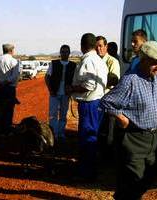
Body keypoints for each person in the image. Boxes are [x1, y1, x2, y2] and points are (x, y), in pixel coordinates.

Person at [99, 41, 157, 200]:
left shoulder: (154, 77)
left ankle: (123, 195)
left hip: (152, 138)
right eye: (154, 63)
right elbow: (106, 102)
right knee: (134, 180)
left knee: (150, 174)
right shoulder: (130, 80)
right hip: (133, 139)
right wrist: (122, 118)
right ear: (143, 60)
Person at [70, 33, 108, 181]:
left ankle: (86, 173)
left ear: (82, 46)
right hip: (97, 103)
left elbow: (88, 85)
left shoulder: (88, 60)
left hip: (89, 104)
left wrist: (72, 89)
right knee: (92, 137)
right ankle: (88, 169)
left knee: (87, 138)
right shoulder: (99, 60)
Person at [45, 44, 76, 141]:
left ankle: (61, 133)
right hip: (54, 93)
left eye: (66, 51)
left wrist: (71, 90)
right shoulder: (53, 64)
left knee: (63, 114)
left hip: (65, 94)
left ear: (69, 53)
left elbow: (75, 80)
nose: (64, 53)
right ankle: (53, 133)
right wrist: (50, 90)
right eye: (62, 51)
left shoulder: (73, 65)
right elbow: (47, 77)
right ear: (60, 53)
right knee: (53, 114)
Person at [96, 36, 120, 156]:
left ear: (106, 47)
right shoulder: (94, 61)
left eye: (101, 46)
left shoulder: (112, 62)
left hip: (108, 103)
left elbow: (114, 82)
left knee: (109, 133)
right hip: (96, 102)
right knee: (98, 131)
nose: (98, 49)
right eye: (96, 46)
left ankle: (108, 158)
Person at [0, 44, 20, 135]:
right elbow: (15, 76)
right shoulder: (14, 61)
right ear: (11, 51)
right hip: (9, 88)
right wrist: (5, 82)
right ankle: (7, 130)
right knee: (9, 110)